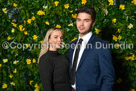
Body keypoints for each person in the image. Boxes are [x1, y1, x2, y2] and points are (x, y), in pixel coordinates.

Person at [68, 6, 115, 91]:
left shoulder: (101, 45)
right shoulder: (72, 45)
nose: (81, 24)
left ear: (93, 23)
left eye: (86, 20)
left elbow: (108, 77)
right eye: (79, 20)